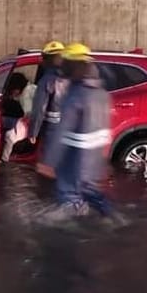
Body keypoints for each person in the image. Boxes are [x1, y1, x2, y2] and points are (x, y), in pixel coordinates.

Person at [37, 43, 116, 220]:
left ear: (74, 65)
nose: (61, 65)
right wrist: (104, 162)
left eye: (65, 62)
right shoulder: (102, 93)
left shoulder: (76, 94)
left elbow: (62, 130)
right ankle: (116, 222)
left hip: (73, 165)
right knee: (96, 199)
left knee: (69, 205)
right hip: (94, 164)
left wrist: (49, 162)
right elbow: (106, 134)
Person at [29, 40, 67, 170]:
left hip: (52, 129)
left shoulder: (46, 80)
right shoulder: (71, 77)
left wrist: (33, 131)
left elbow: (39, 108)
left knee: (48, 166)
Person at [1, 72, 29, 163]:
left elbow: (27, 114)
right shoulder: (30, 89)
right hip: (26, 122)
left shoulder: (27, 93)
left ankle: (4, 159)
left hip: (26, 123)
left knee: (0, 121)